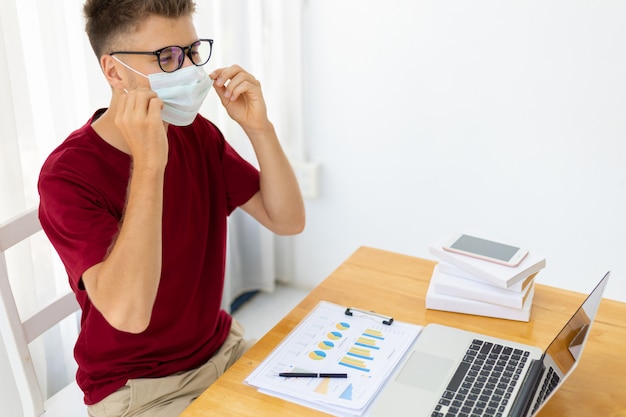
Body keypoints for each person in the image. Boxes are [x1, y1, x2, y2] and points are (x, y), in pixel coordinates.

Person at [37, 1, 305, 416]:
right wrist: (149, 163)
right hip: (137, 389)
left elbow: (287, 220)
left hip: (222, 350)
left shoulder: (197, 133)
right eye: (167, 57)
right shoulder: (67, 174)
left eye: (193, 51)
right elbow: (129, 313)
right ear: (114, 71)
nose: (190, 70)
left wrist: (259, 129)